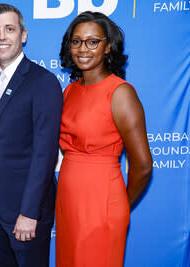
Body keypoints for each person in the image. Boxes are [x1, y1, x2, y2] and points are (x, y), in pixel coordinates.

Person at [56, 11, 153, 266]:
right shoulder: (70, 91)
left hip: (102, 200)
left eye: (92, 41)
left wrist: (120, 203)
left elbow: (142, 165)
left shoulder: (120, 93)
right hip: (68, 199)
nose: (83, 49)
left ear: (108, 46)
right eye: (76, 41)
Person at [0, 4, 63, 267]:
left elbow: (45, 153)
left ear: (23, 35)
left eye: (9, 29)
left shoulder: (43, 82)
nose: (1, 36)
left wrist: (29, 212)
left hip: (25, 215)